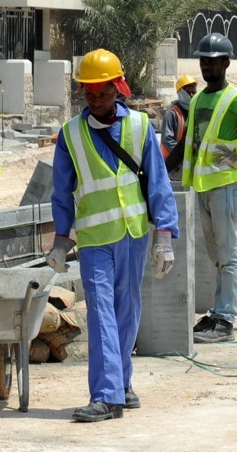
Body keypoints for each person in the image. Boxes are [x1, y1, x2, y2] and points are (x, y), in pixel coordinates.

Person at [46, 48, 179, 423]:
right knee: (102, 312)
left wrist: (164, 237)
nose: (95, 100)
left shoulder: (139, 127)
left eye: (102, 92)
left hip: (133, 234)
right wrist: (60, 240)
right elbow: (61, 192)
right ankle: (106, 395)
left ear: (117, 89)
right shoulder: (70, 135)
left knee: (127, 311)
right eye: (88, 93)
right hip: (93, 240)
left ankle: (121, 384)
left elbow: (158, 183)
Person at [164, 33, 237, 343]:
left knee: (229, 254)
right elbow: (186, 144)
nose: (206, 66)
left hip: (228, 187)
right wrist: (160, 172)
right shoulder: (201, 99)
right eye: (203, 60)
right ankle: (218, 312)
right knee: (217, 253)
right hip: (204, 187)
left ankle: (227, 319)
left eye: (213, 61)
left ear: (226, 63)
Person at [161, 74, 198, 179]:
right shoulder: (171, 114)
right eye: (188, 92)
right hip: (174, 166)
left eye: (193, 92)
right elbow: (166, 139)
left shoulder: (194, 112)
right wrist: (184, 153)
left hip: (187, 163)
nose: (191, 95)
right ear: (180, 93)